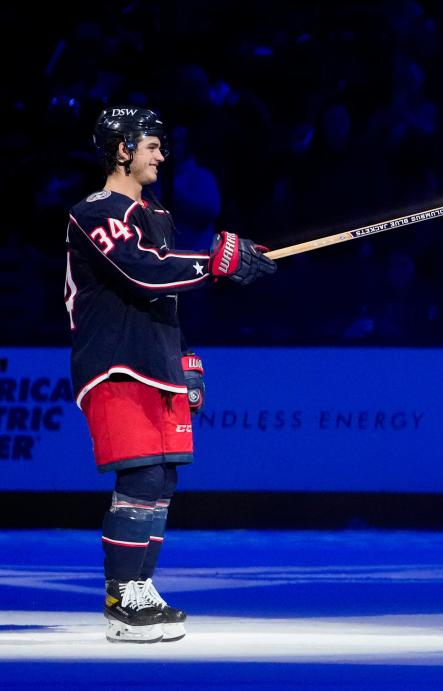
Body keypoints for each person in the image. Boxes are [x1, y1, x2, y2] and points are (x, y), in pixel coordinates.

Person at [64, 106, 276, 643]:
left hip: (158, 360)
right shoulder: (93, 211)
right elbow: (144, 273)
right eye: (152, 145)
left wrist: (187, 359)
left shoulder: (156, 214)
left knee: (162, 478)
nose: (161, 155)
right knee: (137, 475)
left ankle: (141, 587)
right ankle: (120, 599)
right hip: (115, 361)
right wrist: (214, 263)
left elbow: (168, 298)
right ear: (121, 150)